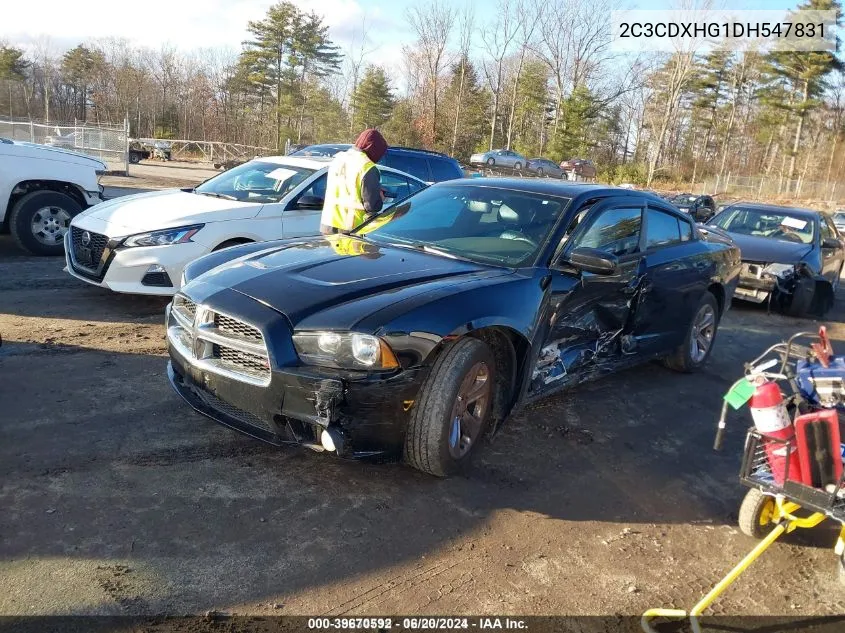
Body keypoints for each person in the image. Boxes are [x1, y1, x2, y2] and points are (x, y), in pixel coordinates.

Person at [320, 128, 388, 235]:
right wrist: (380, 197)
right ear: (374, 150)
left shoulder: (339, 158)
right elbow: (372, 206)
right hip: (351, 227)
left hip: (328, 223)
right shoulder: (367, 166)